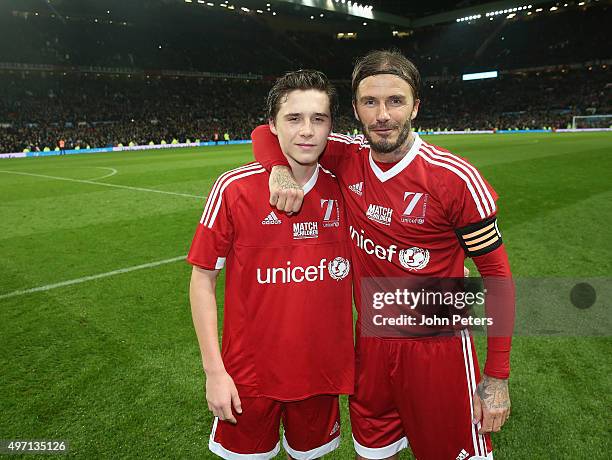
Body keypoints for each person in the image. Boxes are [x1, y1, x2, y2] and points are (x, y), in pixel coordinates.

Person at [251, 50, 514, 460]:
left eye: (395, 101)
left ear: (415, 106)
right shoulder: (348, 156)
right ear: (355, 109)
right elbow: (266, 132)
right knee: (373, 452)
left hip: (437, 348)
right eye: (370, 102)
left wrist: (496, 376)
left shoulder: (455, 179)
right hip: (371, 346)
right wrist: (278, 169)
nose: (383, 115)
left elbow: (498, 278)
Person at [188, 70, 354, 460]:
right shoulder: (234, 188)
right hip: (249, 377)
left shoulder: (346, 184)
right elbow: (202, 280)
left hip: (320, 375)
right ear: (272, 126)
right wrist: (214, 372)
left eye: (319, 119)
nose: (308, 131)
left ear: (332, 125)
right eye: (294, 119)